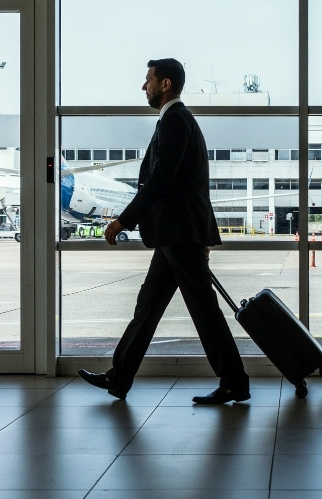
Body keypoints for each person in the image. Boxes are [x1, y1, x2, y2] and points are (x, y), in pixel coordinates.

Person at [78, 58, 250, 405]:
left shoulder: (175, 121)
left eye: (149, 80)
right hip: (177, 235)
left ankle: (235, 381)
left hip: (179, 235)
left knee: (203, 310)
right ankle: (120, 376)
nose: (145, 86)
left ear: (165, 84)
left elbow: (160, 182)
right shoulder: (177, 121)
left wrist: (123, 220)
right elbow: (187, 183)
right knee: (148, 308)